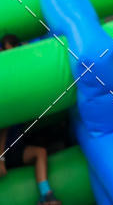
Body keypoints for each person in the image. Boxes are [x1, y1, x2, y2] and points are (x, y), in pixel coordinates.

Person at [0, 35, 62, 205]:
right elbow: (4, 124)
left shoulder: (20, 77)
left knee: (40, 152)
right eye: (5, 54)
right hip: (4, 150)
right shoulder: (6, 82)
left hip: (14, 148)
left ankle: (46, 195)